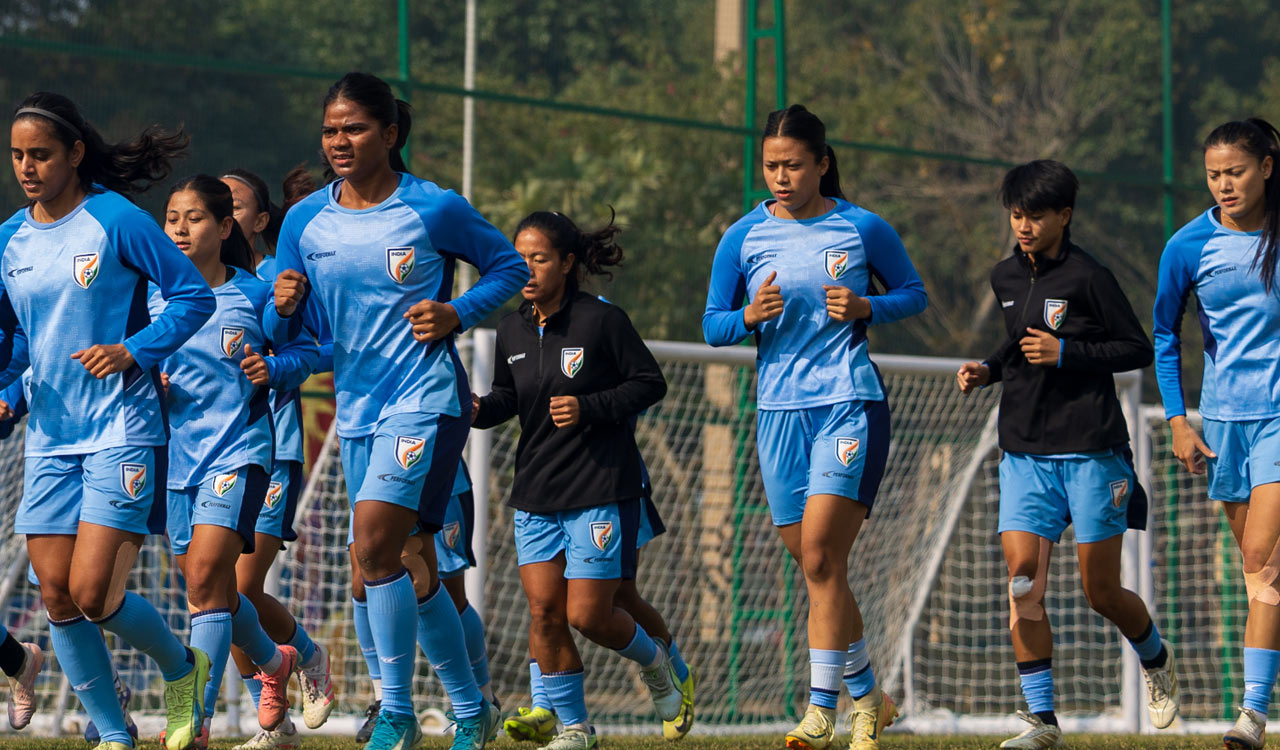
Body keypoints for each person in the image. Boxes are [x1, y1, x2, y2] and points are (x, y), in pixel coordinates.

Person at [266, 71, 526, 750]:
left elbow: (509, 269)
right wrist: (281, 308)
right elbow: (302, 337)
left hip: (425, 402)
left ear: (390, 133)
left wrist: (456, 312)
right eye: (330, 130)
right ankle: (470, 708)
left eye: (354, 128)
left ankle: (399, 714)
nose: (340, 141)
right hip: (356, 410)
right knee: (399, 562)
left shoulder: (433, 208)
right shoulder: (303, 221)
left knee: (377, 547)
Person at [703, 104, 926, 750]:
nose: (780, 176)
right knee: (816, 567)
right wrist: (748, 315)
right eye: (771, 165)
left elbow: (914, 293)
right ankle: (873, 698)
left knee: (825, 556)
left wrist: (867, 306)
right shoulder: (742, 236)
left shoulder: (861, 228)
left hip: (847, 403)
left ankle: (821, 710)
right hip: (777, 414)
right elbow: (713, 326)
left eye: (793, 165)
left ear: (822, 164)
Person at [3, 91, 216, 750]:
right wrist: (8, 391)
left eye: (40, 154)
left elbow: (192, 297)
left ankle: (184, 670)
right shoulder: (9, 238)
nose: (27, 167)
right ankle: (113, 736)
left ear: (74, 153)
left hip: (122, 430)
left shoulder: (117, 220)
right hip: (49, 440)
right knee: (58, 599)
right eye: (17, 155)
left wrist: (133, 350)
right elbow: (12, 339)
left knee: (95, 594)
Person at [958, 160, 1175, 749]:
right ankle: (1043, 722)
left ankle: (1155, 660)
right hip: (1024, 452)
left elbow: (1136, 348)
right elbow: (1016, 344)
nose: (1023, 225)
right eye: (1016, 214)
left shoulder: (1089, 277)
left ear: (1065, 217)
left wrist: (1068, 353)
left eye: (1035, 215)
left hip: (1091, 454)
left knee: (1099, 591)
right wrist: (988, 369)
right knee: (1022, 582)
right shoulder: (1005, 276)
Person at [473, 209, 685, 750]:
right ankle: (573, 728)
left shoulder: (601, 321)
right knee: (544, 613)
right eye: (518, 258)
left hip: (599, 486)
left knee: (589, 613)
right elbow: (507, 398)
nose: (527, 268)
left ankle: (659, 665)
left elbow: (649, 383)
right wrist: (475, 408)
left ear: (567, 263)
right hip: (537, 490)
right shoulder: (511, 327)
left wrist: (590, 407)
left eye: (539, 258)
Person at [155, 174, 323, 746]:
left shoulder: (256, 293)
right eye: (172, 217)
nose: (180, 228)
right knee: (218, 595)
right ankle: (277, 664)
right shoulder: (152, 299)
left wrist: (274, 365)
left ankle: (194, 718)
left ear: (225, 227)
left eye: (194, 217)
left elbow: (306, 351)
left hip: (242, 452)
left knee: (208, 581)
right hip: (176, 462)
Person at [1152, 118, 1280, 750]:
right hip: (1225, 420)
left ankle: (1252, 716)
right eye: (1213, 175)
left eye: (1235, 171)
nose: (1224, 184)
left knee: (1261, 558)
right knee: (1262, 575)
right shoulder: (1187, 246)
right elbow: (1165, 335)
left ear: (1266, 168)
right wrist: (1178, 419)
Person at [219, 168, 335, 750]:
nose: (218, 212)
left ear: (260, 221)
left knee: (237, 586)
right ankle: (277, 722)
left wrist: (276, 365)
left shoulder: (278, 281)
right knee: (215, 590)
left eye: (233, 203)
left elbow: (320, 347)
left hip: (271, 446)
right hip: (205, 459)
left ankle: (307, 658)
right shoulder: (187, 289)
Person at [504, 436, 693, 744]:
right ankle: (545, 707)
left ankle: (677, 676)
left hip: (608, 483)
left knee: (619, 597)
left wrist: (585, 407)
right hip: (549, 486)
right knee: (545, 603)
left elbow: (640, 391)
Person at [351, 460, 499, 743]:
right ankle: (387, 704)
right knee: (362, 578)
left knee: (433, 584)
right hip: (364, 452)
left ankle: (480, 700)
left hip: (422, 460)